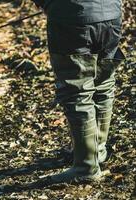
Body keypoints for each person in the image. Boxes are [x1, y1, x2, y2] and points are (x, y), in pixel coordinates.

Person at [32, 0, 125, 183]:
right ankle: (96, 151)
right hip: (111, 15)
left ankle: (85, 166)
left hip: (71, 20)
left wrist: (50, 5)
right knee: (103, 84)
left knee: (77, 92)